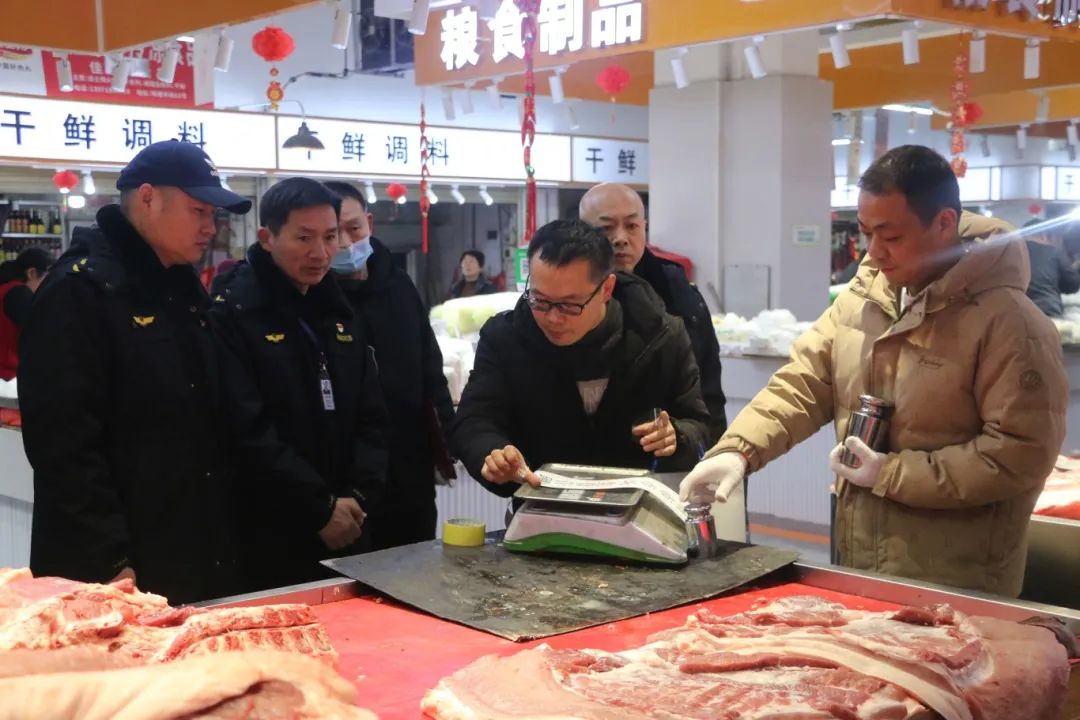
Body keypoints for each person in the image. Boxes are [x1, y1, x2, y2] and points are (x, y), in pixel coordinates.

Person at [680, 145, 1067, 598]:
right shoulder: (863, 299)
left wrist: (890, 474)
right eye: (866, 234)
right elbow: (804, 382)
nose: (875, 252)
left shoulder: (1009, 323)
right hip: (860, 564)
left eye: (892, 236)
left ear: (944, 223)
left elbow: (1019, 453)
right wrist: (738, 451)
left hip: (959, 582)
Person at [19, 140, 251, 603]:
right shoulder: (79, 292)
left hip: (190, 551)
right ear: (148, 198)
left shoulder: (182, 290)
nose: (210, 228)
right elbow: (64, 446)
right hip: (115, 570)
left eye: (213, 215)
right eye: (198, 211)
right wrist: (107, 560)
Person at [210, 177, 387, 592]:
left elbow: (372, 415)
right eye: (304, 238)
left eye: (330, 237)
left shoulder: (340, 310)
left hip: (352, 524)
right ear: (267, 238)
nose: (321, 253)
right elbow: (247, 430)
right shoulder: (234, 313)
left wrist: (358, 496)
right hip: (269, 532)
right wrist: (319, 509)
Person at [450, 219, 711, 498]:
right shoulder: (505, 339)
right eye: (540, 300)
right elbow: (474, 421)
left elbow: (699, 426)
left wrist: (676, 437)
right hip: (540, 506)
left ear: (606, 290)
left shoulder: (660, 337)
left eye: (569, 305)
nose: (553, 317)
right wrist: (493, 453)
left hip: (638, 509)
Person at [324, 181, 455, 549]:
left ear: (369, 222)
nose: (345, 244)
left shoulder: (398, 285)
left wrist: (449, 436)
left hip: (409, 466)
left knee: (416, 562)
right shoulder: (316, 296)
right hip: (347, 479)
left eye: (353, 228)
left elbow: (430, 366)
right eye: (333, 234)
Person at [579, 183, 727, 444]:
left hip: (669, 449)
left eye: (632, 226)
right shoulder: (564, 295)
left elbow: (708, 393)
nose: (621, 238)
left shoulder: (677, 291)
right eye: (606, 228)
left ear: (644, 227)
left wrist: (717, 454)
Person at [0, 247, 51, 380]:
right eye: (47, 278)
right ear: (32, 273)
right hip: (8, 377)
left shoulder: (5, 288)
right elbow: (42, 334)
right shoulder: (19, 294)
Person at [1021, 219, 1080, 318]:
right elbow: (1072, 285)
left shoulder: (1010, 254)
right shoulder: (1053, 250)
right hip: (1047, 311)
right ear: (1044, 235)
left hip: (1015, 313)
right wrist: (1074, 268)